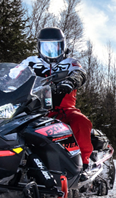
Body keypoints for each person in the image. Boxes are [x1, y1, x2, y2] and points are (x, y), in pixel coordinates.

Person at [21, 27, 93, 173]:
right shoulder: (31, 62)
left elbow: (79, 73)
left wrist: (71, 82)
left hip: (63, 109)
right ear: (39, 46)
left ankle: (82, 164)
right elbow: (13, 75)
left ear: (63, 46)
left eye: (55, 46)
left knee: (81, 122)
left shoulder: (70, 62)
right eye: (46, 46)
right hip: (33, 109)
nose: (51, 50)